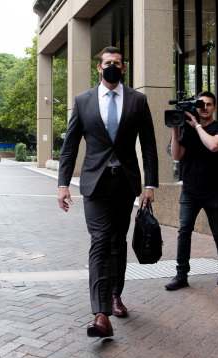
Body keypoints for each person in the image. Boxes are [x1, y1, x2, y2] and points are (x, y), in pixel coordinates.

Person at [57, 46, 159, 338]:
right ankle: (100, 313)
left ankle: (116, 294)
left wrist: (150, 185)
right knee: (100, 241)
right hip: (96, 183)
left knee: (117, 241)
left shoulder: (138, 101)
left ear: (123, 68)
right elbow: (70, 146)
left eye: (117, 63)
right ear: (98, 68)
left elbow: (150, 146)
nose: (112, 66)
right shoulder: (83, 101)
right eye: (107, 63)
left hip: (125, 182)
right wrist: (63, 184)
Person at [165, 91, 218, 291]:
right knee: (184, 232)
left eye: (209, 104)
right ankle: (181, 275)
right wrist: (176, 129)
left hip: (214, 192)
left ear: (214, 107)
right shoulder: (185, 129)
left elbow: (213, 145)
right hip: (190, 191)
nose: (205, 107)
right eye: (201, 104)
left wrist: (196, 126)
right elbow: (177, 156)